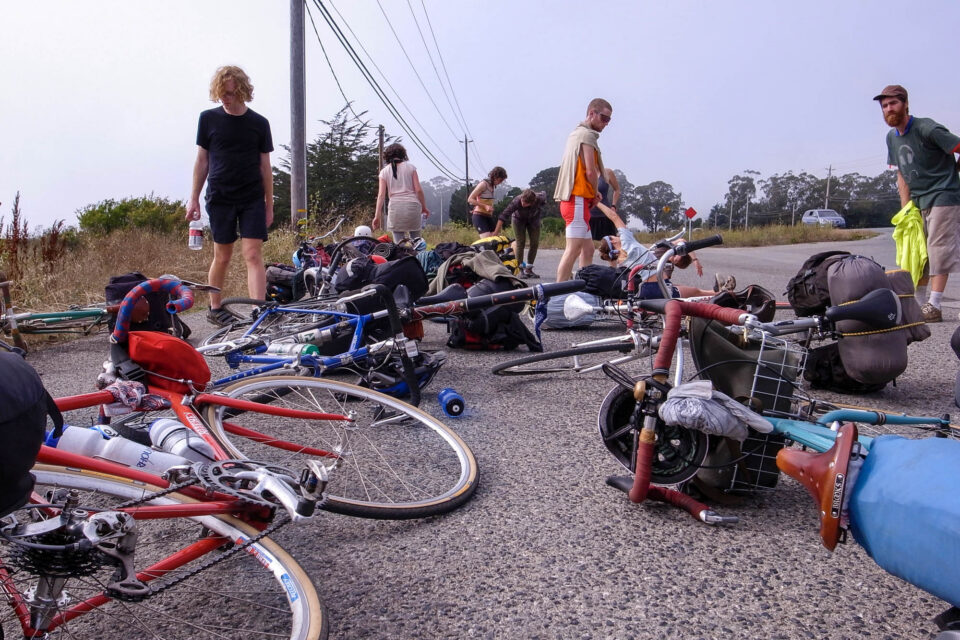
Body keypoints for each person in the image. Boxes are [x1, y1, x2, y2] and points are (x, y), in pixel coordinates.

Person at [187, 65, 274, 327]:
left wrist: (269, 204)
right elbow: (202, 161)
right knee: (222, 255)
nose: (225, 98)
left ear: (242, 92)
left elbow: (265, 167)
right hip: (220, 195)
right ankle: (215, 309)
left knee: (252, 255)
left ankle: (259, 311)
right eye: (221, 94)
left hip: (251, 197)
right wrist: (193, 198)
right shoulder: (208, 119)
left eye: (230, 94)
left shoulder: (259, 124)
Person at [875, 84, 960, 323]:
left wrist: (953, 174)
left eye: (893, 103)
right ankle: (918, 304)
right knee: (918, 251)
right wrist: (906, 209)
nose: (888, 109)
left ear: (905, 104)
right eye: (884, 106)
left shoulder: (926, 128)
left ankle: (934, 305)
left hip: (944, 195)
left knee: (937, 247)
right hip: (918, 200)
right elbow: (901, 174)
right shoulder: (891, 137)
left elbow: (957, 146)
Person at [594, 203, 731, 299]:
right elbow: (614, 216)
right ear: (613, 242)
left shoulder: (620, 262)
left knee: (692, 291)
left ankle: (717, 291)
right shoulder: (627, 242)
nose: (616, 235)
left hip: (651, 287)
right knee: (695, 294)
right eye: (613, 236)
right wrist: (596, 202)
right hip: (657, 286)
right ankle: (727, 296)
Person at [554, 99, 612, 281]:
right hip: (576, 199)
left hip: (577, 200)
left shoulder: (577, 134)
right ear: (591, 113)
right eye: (603, 118)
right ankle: (557, 295)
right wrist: (594, 192)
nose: (606, 123)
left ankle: (582, 287)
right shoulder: (586, 136)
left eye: (609, 120)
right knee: (573, 250)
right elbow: (590, 171)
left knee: (587, 249)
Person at [373, 143, 430, 243]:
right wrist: (424, 208)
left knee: (399, 245)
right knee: (416, 242)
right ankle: (418, 258)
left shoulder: (384, 172)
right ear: (403, 154)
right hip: (412, 206)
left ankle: (402, 258)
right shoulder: (411, 168)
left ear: (387, 156)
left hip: (395, 208)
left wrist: (377, 216)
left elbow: (381, 195)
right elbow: (418, 190)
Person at [492, 189, 547, 279]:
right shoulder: (517, 201)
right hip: (518, 220)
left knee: (535, 243)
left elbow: (544, 194)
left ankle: (529, 269)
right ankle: (520, 269)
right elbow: (503, 216)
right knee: (520, 242)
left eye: (526, 203)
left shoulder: (540, 198)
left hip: (533, 220)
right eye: (522, 201)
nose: (523, 204)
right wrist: (496, 232)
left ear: (533, 202)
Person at [468, 167, 508, 238]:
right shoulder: (483, 184)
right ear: (495, 177)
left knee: (496, 239)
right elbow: (470, 199)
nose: (501, 182)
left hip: (488, 216)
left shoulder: (492, 186)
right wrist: (485, 206)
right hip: (479, 216)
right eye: (500, 180)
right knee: (487, 241)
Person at [589, 167, 621, 243]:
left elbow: (617, 189)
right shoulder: (584, 172)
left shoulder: (607, 172)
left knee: (610, 245)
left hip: (605, 215)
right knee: (588, 247)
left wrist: (613, 206)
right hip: (589, 216)